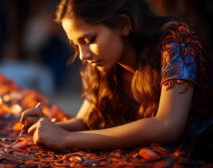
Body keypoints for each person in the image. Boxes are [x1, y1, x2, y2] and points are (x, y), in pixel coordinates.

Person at [20, 0, 213, 160]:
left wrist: (67, 138)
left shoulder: (174, 40)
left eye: (89, 40)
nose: (82, 55)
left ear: (123, 25)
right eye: (76, 45)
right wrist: (49, 128)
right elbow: (85, 121)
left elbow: (167, 126)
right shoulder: (105, 61)